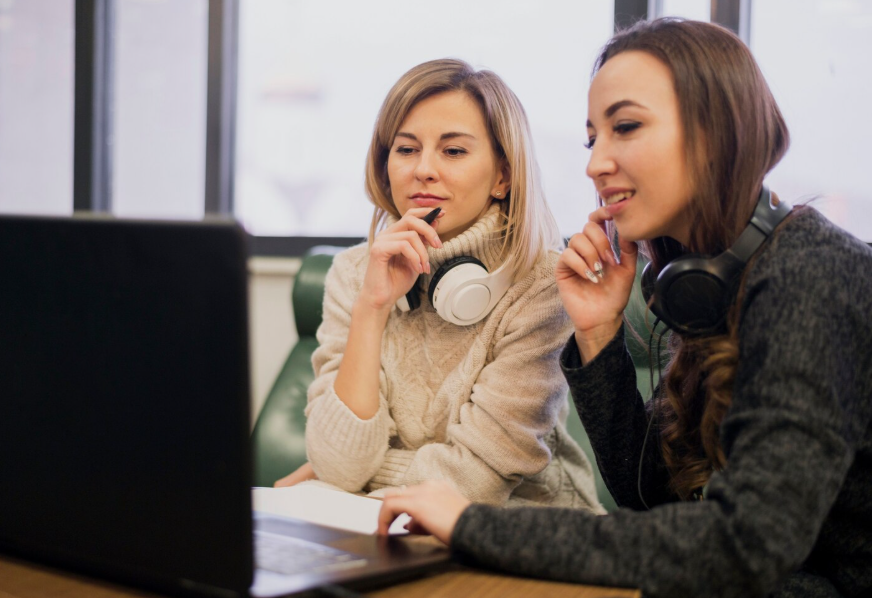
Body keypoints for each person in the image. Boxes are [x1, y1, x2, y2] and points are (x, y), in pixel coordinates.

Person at [377, 19, 872, 598]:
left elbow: (746, 543)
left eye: (626, 127)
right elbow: (650, 499)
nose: (595, 163)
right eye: (593, 139)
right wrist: (599, 333)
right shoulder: (711, 279)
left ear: (718, 132)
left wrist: (473, 525)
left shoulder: (813, 276)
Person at [274, 59, 602, 512]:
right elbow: (339, 463)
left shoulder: (543, 284)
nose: (423, 170)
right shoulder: (354, 273)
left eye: (453, 151)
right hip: (386, 524)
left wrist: (363, 481)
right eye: (406, 150)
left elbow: (474, 482)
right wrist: (372, 307)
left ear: (503, 176)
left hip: (523, 532)